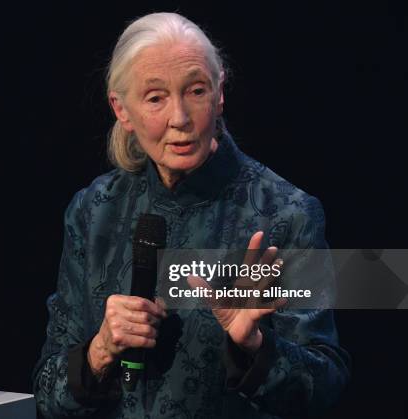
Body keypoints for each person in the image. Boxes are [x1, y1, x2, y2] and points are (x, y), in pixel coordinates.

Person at [33, 12, 350, 418]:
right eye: (155, 97)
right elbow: (45, 396)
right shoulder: (93, 211)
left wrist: (253, 347)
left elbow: (325, 387)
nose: (180, 118)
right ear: (121, 109)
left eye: (196, 91)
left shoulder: (285, 213)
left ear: (220, 94)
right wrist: (100, 351)